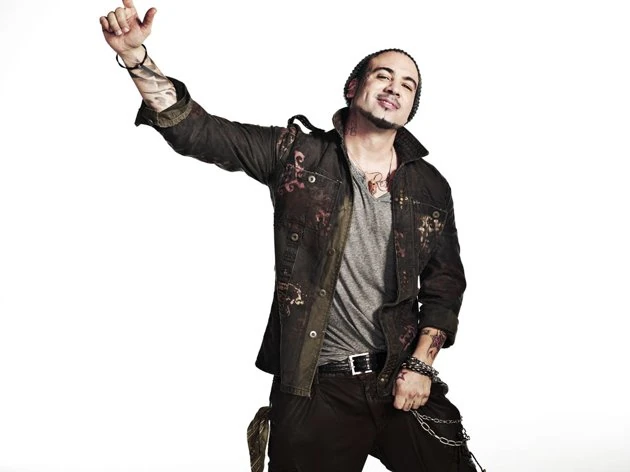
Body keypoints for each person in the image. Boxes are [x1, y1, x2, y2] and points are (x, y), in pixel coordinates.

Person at [100, 1, 484, 471]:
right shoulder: (296, 155)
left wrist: (421, 365)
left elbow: (445, 285)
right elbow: (200, 132)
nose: (394, 88)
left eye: (408, 85)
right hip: (313, 387)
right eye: (383, 75)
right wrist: (136, 58)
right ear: (353, 87)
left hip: (399, 376)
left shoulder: (429, 186)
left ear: (412, 107)